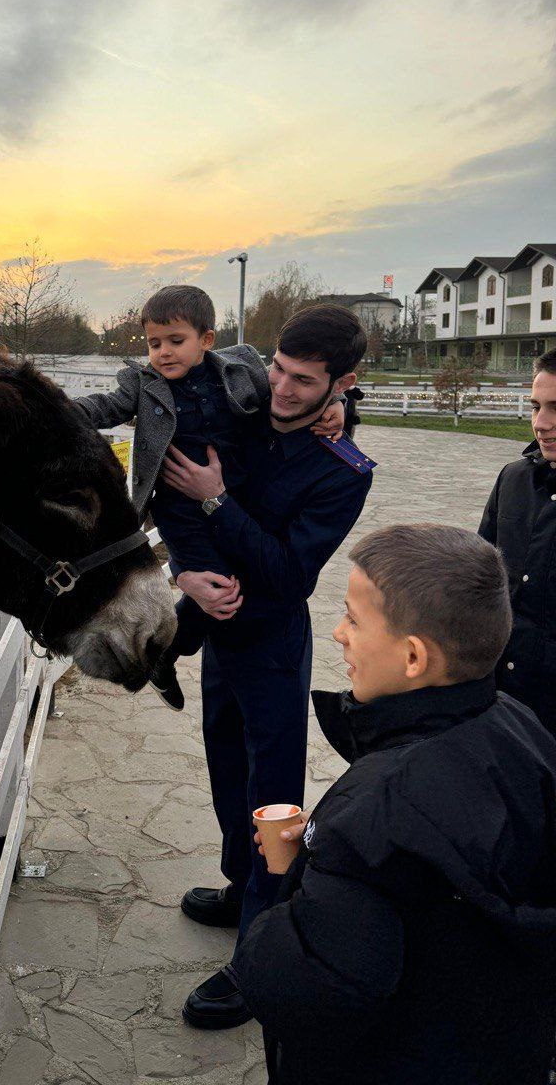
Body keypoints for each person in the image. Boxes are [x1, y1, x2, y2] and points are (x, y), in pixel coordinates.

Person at [235, 524, 556, 1085]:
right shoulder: (522, 726)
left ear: (413, 658)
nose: (337, 634)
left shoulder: (374, 809)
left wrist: (299, 871)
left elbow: (310, 989)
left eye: (355, 620)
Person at [158, 304, 374, 1029]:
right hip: (218, 630)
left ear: (340, 383)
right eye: (279, 369)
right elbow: (172, 434)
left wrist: (216, 503)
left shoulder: (344, 469)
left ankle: (262, 947)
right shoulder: (245, 397)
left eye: (304, 381)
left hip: (274, 644)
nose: (280, 389)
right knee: (224, 765)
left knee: (273, 795)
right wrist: (186, 569)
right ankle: (240, 883)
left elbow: (286, 573)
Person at [73, 284, 346, 710]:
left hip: (232, 495)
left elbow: (306, 383)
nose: (163, 352)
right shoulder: (141, 384)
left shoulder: (239, 369)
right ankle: (166, 655)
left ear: (206, 340)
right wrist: (49, 409)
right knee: (219, 584)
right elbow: (106, 406)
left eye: (176, 341)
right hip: (177, 508)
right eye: (154, 343)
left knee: (232, 573)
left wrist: (341, 402)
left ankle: (165, 655)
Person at [478, 348, 556, 737]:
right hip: (501, 705)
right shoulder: (513, 480)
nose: (541, 424)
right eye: (535, 406)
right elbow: (479, 581)